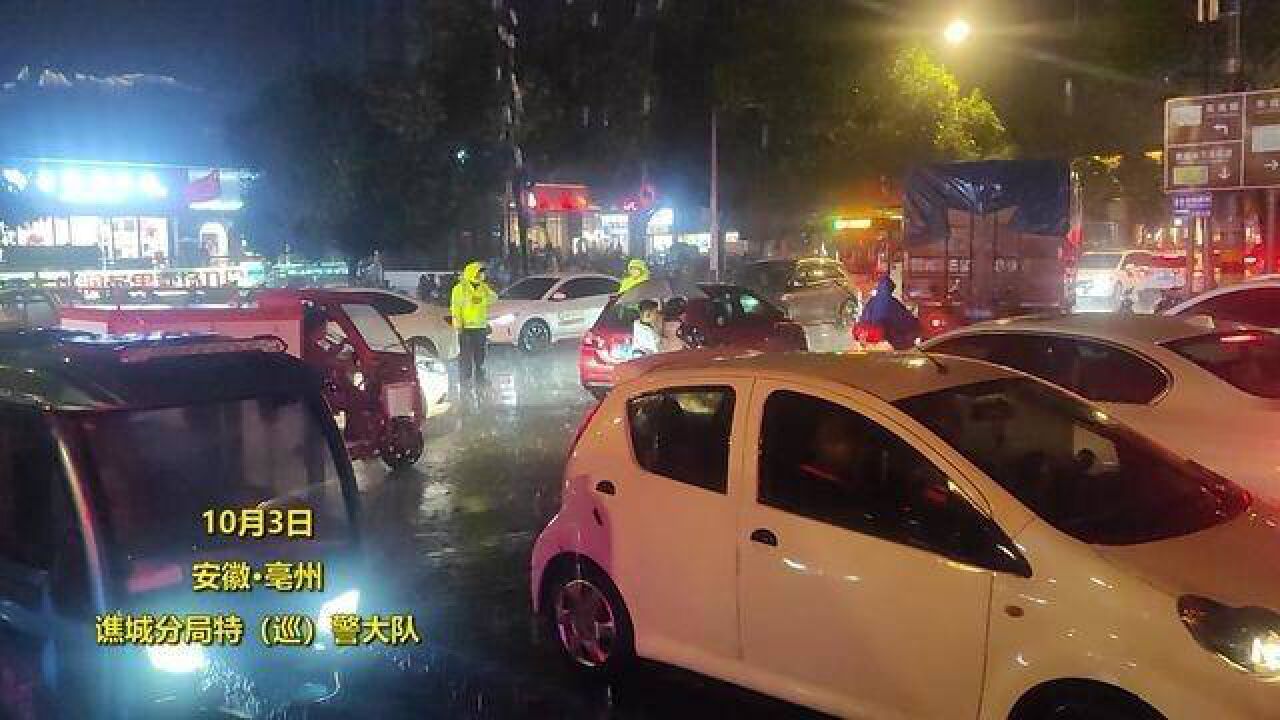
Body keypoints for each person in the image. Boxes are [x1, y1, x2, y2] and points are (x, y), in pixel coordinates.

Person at [451, 261, 498, 384]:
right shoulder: (460, 289)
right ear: (472, 273)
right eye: (479, 272)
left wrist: (484, 296)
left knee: (480, 354)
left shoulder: (483, 287)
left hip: (480, 327)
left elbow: (494, 298)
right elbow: (455, 308)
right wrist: (458, 326)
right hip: (465, 328)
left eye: (482, 273)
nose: (482, 275)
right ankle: (465, 379)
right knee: (466, 355)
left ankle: (480, 377)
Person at [859, 275, 921, 350]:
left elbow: (865, 320)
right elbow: (906, 320)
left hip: (879, 343)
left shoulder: (872, 302)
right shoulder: (891, 302)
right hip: (896, 344)